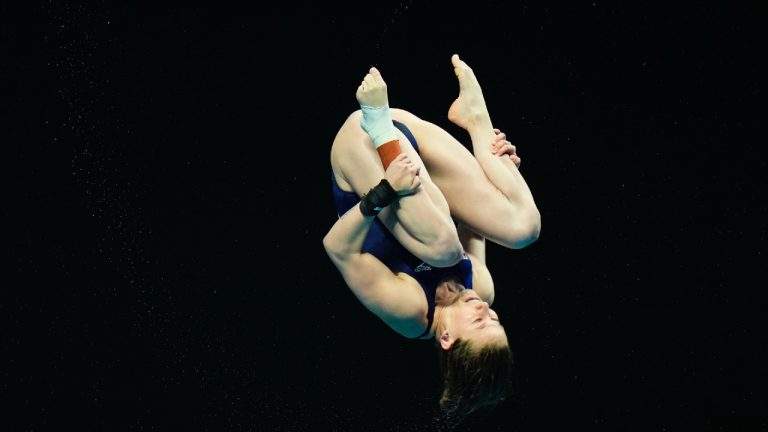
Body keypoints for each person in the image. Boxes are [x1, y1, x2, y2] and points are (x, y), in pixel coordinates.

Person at [322, 54, 541, 423]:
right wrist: (502, 175)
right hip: (414, 145)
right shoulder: (481, 289)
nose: (484, 308)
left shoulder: (410, 311)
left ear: (446, 340)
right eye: (495, 318)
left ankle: (379, 126)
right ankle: (475, 119)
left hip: (361, 147)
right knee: (522, 231)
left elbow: (337, 249)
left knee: (444, 249)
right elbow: (474, 223)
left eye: (478, 322)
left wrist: (384, 192)